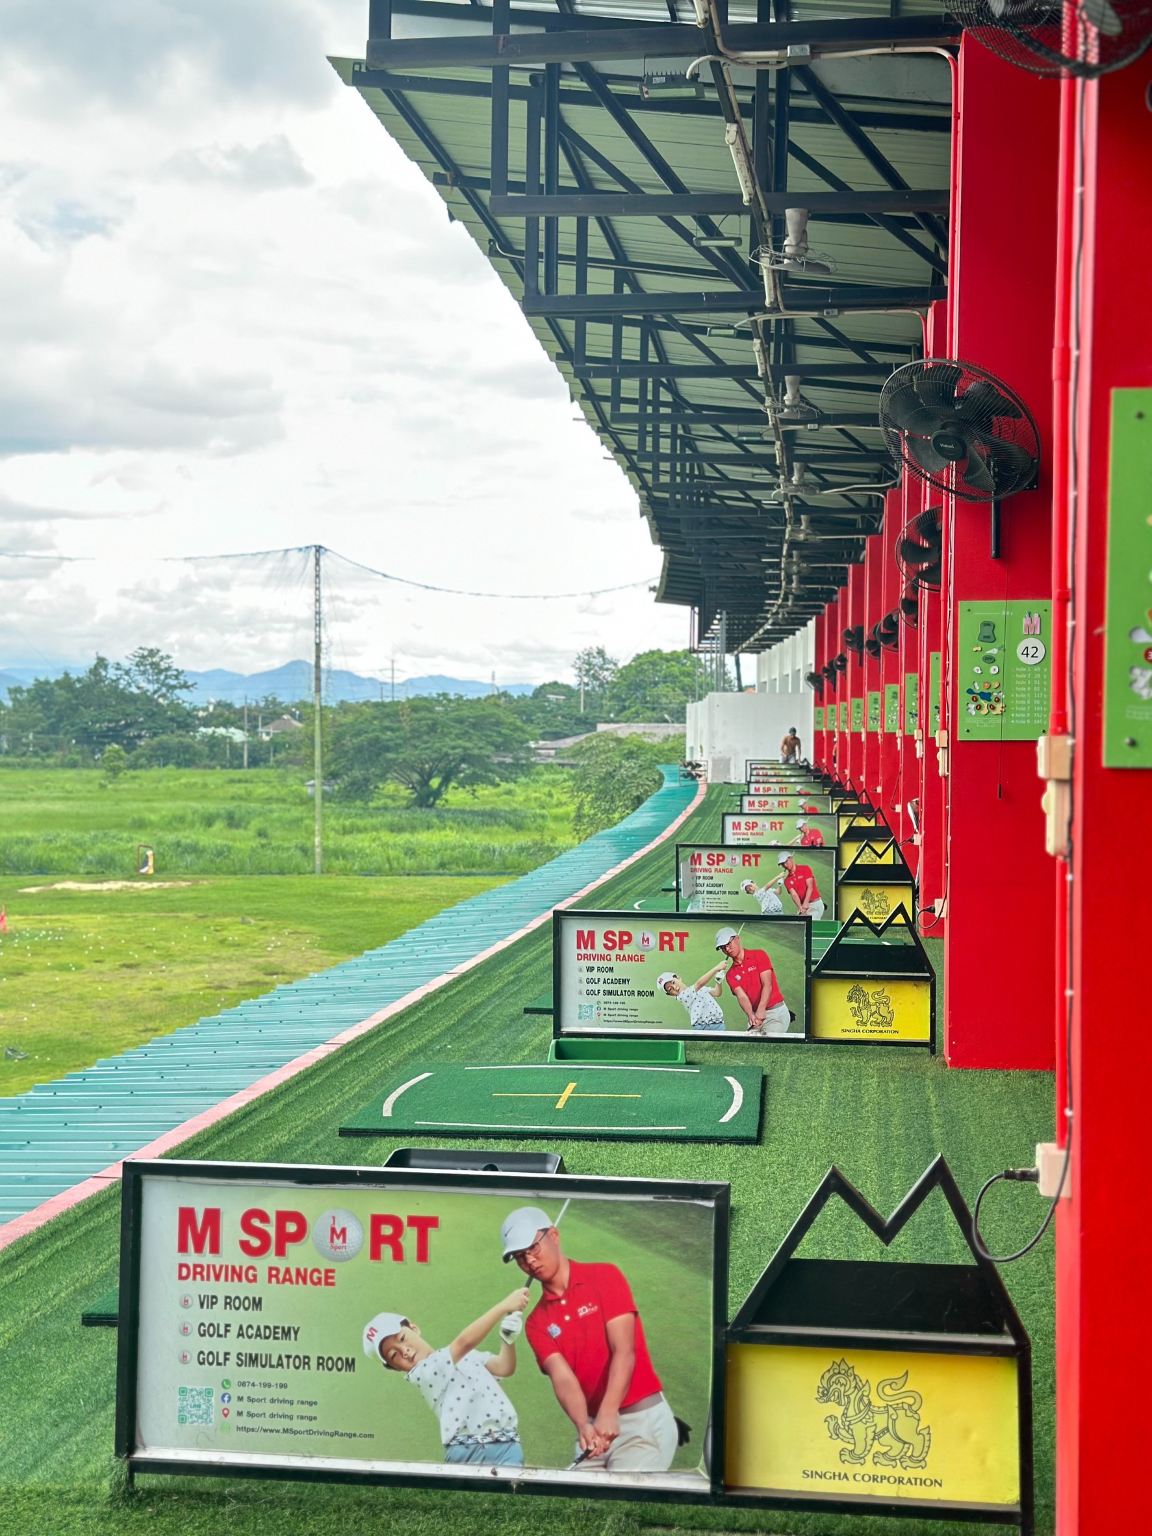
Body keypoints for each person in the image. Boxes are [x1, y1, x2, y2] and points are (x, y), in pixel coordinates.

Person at [501, 1206, 681, 1474]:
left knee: (618, 1506)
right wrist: (583, 1424)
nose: (530, 1261)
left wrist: (609, 1410)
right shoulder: (537, 1322)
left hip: (642, 1423)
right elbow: (563, 1379)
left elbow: (624, 1351)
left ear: (554, 1235)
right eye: (520, 1256)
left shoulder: (604, 1277)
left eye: (533, 1248)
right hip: (595, 1430)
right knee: (578, 1505)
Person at [362, 1288, 529, 1466]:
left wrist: (507, 1340)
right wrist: (504, 1306)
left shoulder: (465, 1356)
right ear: (393, 1368)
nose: (405, 1351)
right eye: (393, 1355)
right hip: (468, 1452)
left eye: (402, 1338)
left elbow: (504, 1367)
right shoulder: (422, 1374)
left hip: (507, 1443)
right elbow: (465, 1342)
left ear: (414, 1328)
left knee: (509, 1493)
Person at [714, 926, 792, 1035]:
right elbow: (742, 997)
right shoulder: (730, 974)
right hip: (755, 1016)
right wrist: (751, 1015)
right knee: (749, 1046)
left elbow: (767, 985)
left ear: (737, 938)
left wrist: (761, 1010)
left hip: (775, 1012)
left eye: (728, 944)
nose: (727, 949)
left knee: (767, 1045)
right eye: (723, 947)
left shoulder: (759, 955)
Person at [656, 964, 727, 1030]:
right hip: (703, 1027)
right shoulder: (682, 997)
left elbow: (717, 993)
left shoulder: (700, 989)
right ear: (670, 995)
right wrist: (716, 968)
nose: (675, 987)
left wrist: (718, 982)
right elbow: (699, 983)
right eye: (670, 989)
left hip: (719, 1023)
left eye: (673, 982)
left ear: (678, 978)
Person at [777, 851, 826, 920]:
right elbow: (794, 895)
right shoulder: (787, 880)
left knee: (810, 927)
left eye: (786, 862)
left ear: (791, 859)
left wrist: (805, 903)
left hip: (815, 904)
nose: (785, 865)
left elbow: (810, 887)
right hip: (803, 907)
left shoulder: (805, 868)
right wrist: (800, 907)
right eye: (782, 864)